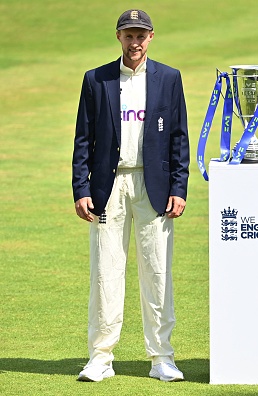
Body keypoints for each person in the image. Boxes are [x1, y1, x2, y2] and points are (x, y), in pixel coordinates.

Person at [72, 9, 190, 382]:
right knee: (106, 272)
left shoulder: (169, 78)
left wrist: (179, 187)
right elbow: (82, 139)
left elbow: (178, 138)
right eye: (128, 35)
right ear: (118, 37)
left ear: (151, 37)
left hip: (153, 189)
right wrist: (81, 187)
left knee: (157, 272)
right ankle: (101, 358)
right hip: (109, 188)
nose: (134, 42)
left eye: (141, 35)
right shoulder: (97, 79)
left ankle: (161, 358)